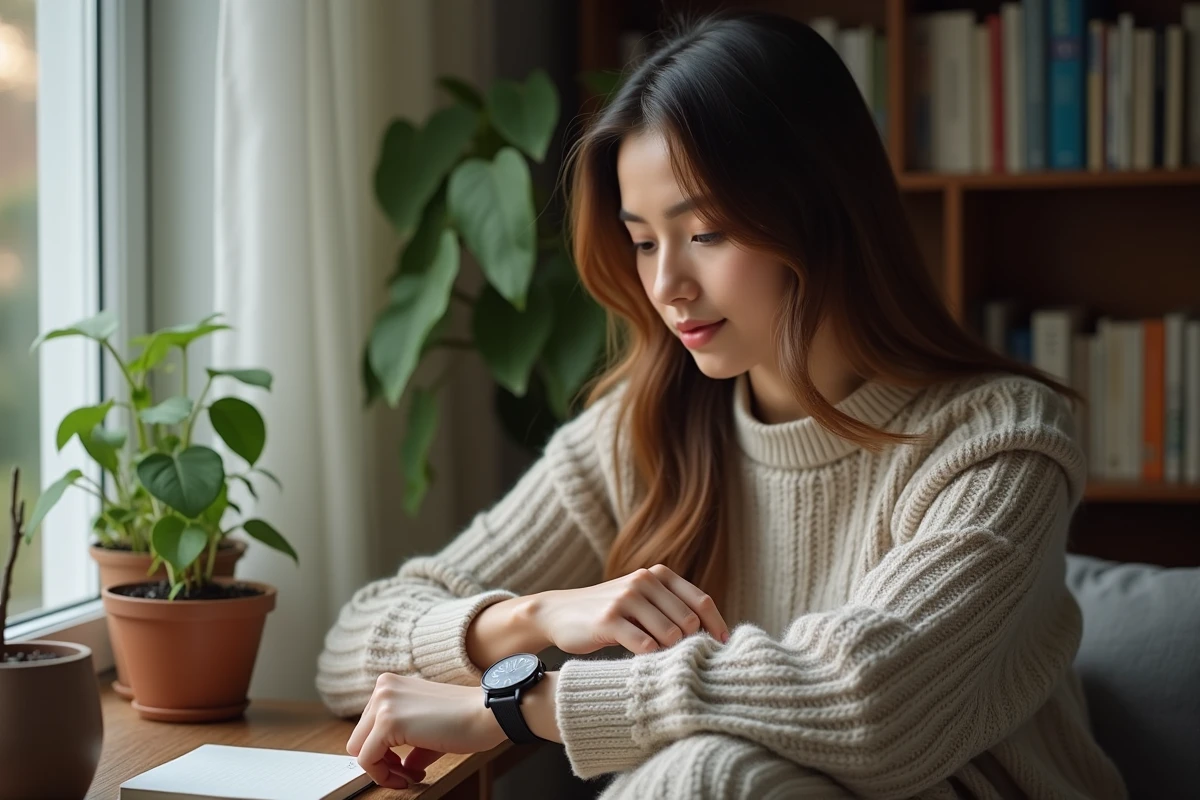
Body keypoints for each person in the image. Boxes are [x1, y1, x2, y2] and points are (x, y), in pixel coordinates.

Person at [317, 10, 1128, 799]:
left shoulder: (999, 441)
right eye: (642, 240)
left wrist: (521, 707)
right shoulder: (647, 428)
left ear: (819, 211)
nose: (667, 284)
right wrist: (534, 618)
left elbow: (867, 705)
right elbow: (352, 647)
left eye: (704, 231)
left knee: (707, 772)